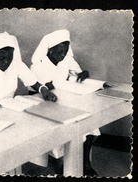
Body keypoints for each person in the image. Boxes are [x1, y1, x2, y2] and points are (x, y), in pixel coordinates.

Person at [30, 29, 99, 176]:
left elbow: (77, 72)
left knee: (89, 126)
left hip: (66, 100)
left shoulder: (66, 59)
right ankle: (63, 164)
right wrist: (50, 85)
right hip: (47, 105)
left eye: (65, 51)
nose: (63, 55)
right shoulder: (38, 64)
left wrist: (83, 73)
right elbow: (36, 90)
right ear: (50, 50)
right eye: (59, 52)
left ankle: (85, 163)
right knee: (69, 128)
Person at [0, 32, 57, 114]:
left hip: (10, 109)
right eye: (1, 58)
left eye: (10, 57)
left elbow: (33, 82)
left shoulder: (16, 64)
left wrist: (44, 90)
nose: (6, 62)